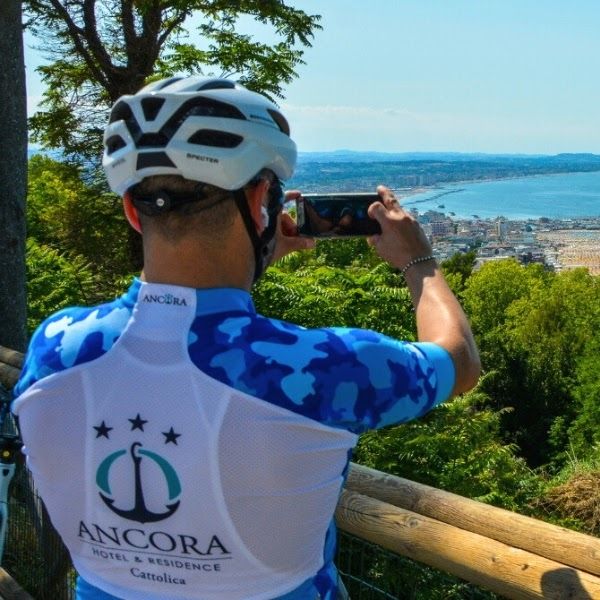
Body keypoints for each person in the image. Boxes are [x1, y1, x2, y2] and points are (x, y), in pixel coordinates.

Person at [12, 76, 480, 600]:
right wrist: (419, 260)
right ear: (261, 199)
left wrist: (253, 248)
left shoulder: (57, 348)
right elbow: (458, 361)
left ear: (131, 211)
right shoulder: (322, 367)